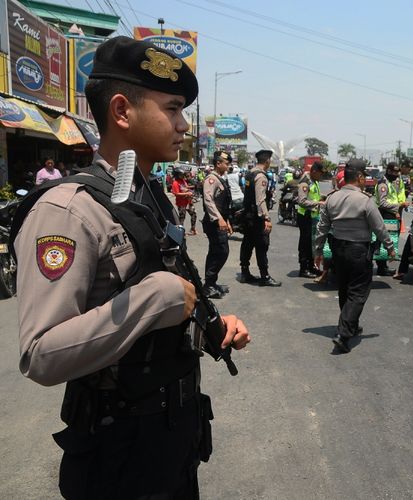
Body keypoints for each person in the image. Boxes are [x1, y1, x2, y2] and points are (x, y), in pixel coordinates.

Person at [12, 36, 250, 499]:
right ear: (122, 111)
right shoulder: (69, 210)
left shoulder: (150, 196)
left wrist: (213, 328)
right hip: (117, 454)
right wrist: (155, 297)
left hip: (172, 437)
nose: (183, 125)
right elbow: (40, 354)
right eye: (173, 109)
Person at [314, 159, 396, 353]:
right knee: (358, 292)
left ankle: (351, 325)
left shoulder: (331, 198)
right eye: (364, 176)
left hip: (338, 250)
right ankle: (343, 334)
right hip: (358, 250)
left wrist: (317, 251)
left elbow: (322, 228)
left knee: (345, 288)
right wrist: (390, 248)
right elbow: (379, 227)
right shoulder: (365, 200)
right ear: (359, 177)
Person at [240, 150, 281, 286]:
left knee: (247, 244)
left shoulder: (250, 173)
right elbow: (260, 200)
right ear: (267, 161)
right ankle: (265, 276)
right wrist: (267, 219)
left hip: (248, 215)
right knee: (262, 245)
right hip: (257, 217)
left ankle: (244, 273)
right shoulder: (261, 176)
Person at [203, 150, 233, 298]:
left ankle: (211, 283)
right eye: (226, 163)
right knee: (220, 252)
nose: (228, 166)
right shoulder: (211, 179)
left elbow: (222, 204)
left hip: (219, 221)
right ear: (218, 163)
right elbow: (208, 200)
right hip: (213, 222)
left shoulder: (220, 179)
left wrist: (226, 221)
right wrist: (218, 219)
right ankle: (208, 285)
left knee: (219, 252)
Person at [373, 161, 408, 276]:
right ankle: (381, 267)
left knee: (391, 239)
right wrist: (398, 206)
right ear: (388, 171)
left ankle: (383, 266)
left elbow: (398, 195)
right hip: (384, 214)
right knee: (384, 239)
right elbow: (382, 203)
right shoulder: (383, 184)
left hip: (393, 214)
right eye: (394, 172)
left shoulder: (395, 181)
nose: (396, 174)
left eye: (397, 172)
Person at [296, 161, 326, 278]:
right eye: (320, 173)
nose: (321, 176)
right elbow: (302, 201)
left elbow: (314, 195)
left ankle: (311, 266)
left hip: (312, 216)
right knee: (305, 243)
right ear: (314, 171)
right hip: (305, 216)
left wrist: (323, 197)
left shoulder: (314, 181)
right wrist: (318, 203)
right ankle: (303, 268)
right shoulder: (305, 182)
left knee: (311, 243)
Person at [171, 168, 197, 235]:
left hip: (188, 202)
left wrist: (190, 187)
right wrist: (187, 193)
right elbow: (176, 193)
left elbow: (185, 187)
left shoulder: (183, 181)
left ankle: (193, 229)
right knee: (182, 218)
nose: (183, 175)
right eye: (181, 174)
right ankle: (180, 232)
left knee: (194, 214)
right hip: (181, 203)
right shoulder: (175, 183)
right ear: (177, 175)